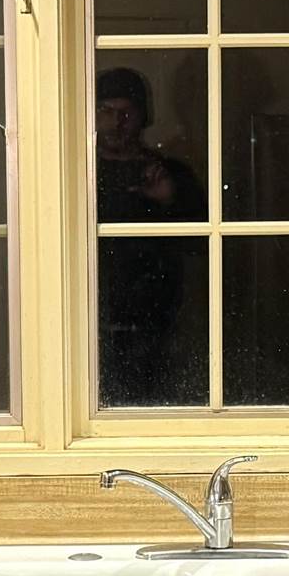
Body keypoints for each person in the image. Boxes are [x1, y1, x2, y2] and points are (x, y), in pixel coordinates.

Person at [95, 66, 205, 405]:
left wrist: (169, 200)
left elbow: (202, 244)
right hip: (85, 320)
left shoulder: (170, 173)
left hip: (158, 325)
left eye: (127, 112)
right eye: (106, 111)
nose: (117, 122)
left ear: (144, 116)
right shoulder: (74, 171)